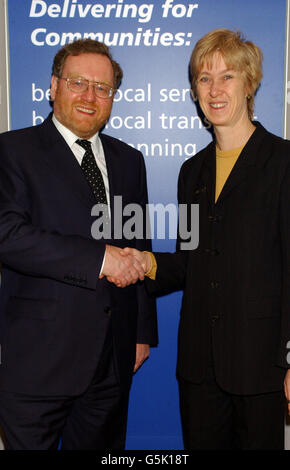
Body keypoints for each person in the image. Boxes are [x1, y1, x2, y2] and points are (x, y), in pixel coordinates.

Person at [119, 29, 290, 450]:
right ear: (195, 90)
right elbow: (190, 259)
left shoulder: (284, 162)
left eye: (227, 76)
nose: (214, 89)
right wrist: (144, 262)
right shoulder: (191, 172)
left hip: (262, 367)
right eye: (204, 78)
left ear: (249, 84)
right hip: (199, 369)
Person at [0, 39, 157, 450]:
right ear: (54, 86)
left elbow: (138, 242)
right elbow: (8, 235)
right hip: (38, 361)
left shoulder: (129, 160)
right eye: (78, 82)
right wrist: (99, 259)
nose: (90, 96)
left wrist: (140, 332)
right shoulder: (11, 151)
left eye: (102, 88)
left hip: (111, 360)